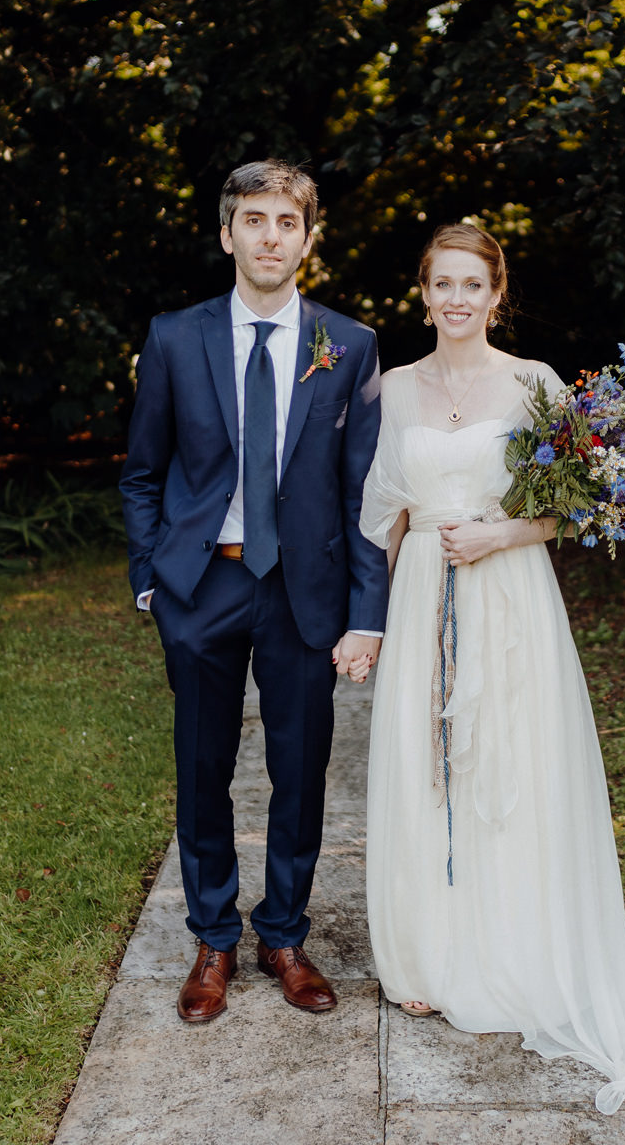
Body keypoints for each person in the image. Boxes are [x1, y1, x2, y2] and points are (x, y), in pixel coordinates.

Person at [357, 224, 625, 1115]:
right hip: (423, 595)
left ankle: (512, 950)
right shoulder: (392, 388)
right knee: (428, 768)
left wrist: (500, 533)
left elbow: (579, 507)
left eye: (472, 284)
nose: (457, 300)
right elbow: (381, 518)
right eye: (442, 284)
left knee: (507, 767)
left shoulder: (534, 384)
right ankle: (428, 957)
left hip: (509, 588)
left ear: (496, 292)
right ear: (424, 292)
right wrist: (374, 622)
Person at [120, 159, 387, 1024]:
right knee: (201, 767)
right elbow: (142, 474)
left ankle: (282, 933)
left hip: (303, 590)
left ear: (308, 239)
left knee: (301, 770)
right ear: (227, 230)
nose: (271, 237)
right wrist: (151, 580)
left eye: (287, 223)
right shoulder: (173, 337)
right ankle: (212, 939)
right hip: (203, 582)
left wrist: (364, 609)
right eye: (256, 220)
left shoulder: (348, 345)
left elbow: (363, 494)